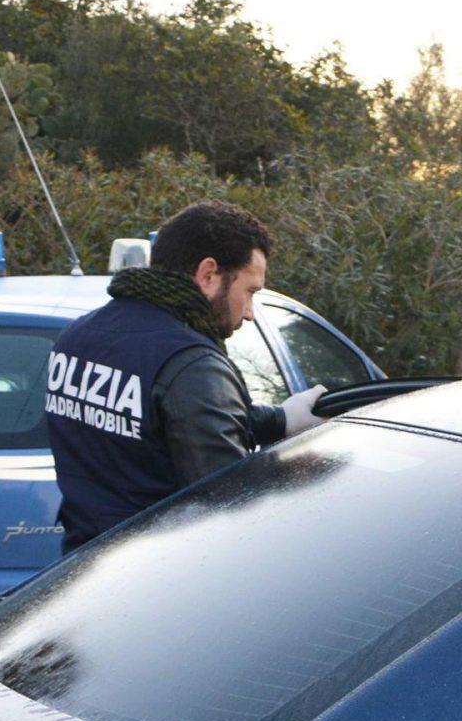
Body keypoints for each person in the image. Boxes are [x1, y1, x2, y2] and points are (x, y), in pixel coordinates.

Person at [42, 200, 327, 552]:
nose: (250, 312)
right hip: (161, 579)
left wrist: (282, 420)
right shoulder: (191, 364)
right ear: (208, 276)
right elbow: (228, 500)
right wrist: (294, 470)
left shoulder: (78, 336)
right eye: (250, 291)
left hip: (76, 572)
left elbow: (172, 423)